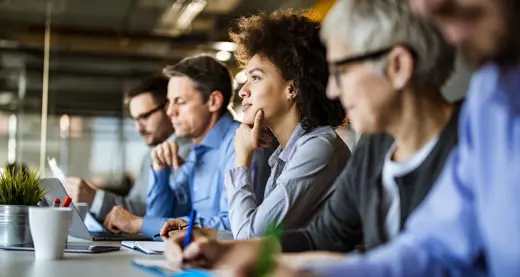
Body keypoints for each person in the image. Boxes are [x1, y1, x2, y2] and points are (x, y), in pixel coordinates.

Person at [170, 0, 520, 276]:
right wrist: (234, 253)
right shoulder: (380, 143)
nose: (333, 89)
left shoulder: (475, 121)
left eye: (343, 71)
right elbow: (423, 250)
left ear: (398, 66)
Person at [201, 9, 349, 240]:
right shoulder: (288, 151)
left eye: (256, 77)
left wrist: (242, 159)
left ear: (292, 88)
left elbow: (252, 238)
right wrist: (205, 236)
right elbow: (257, 230)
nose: (243, 91)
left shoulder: (319, 149)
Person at [102, 55, 244, 237]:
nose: (170, 112)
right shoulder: (197, 150)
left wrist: (138, 224)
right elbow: (161, 217)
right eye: (170, 102)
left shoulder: (239, 144)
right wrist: (160, 172)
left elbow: (234, 226)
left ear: (213, 101)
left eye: (180, 102)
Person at [63, 76, 191, 218]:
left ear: (169, 109)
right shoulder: (148, 157)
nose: (138, 128)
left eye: (144, 117)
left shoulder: (188, 152)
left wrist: (96, 199)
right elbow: (135, 205)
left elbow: (153, 217)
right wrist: (95, 196)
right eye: (135, 120)